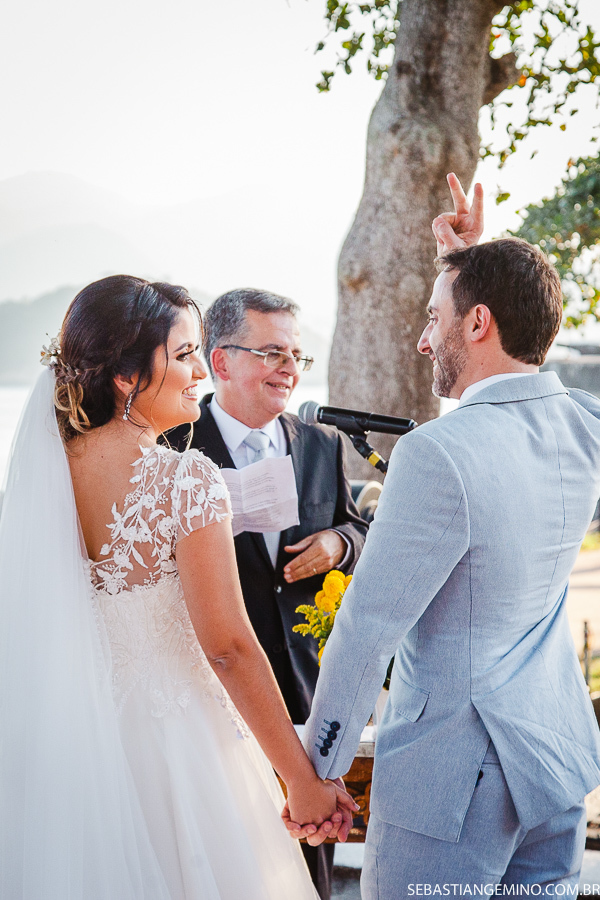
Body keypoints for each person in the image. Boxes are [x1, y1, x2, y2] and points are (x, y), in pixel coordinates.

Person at [0, 275, 356, 899]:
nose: (200, 373)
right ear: (126, 377)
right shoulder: (186, 479)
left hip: (74, 755)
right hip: (180, 752)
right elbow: (228, 646)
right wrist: (300, 780)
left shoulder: (45, 478)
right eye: (186, 355)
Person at [294, 176, 600, 896]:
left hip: (451, 788)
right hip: (554, 766)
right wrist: (471, 263)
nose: (422, 338)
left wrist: (318, 771)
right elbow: (523, 356)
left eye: (436, 317)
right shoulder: (583, 424)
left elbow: (368, 628)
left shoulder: (438, 452)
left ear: (477, 323)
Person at [168, 288, 368, 899]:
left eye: (297, 356)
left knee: (309, 863)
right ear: (221, 361)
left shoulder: (320, 443)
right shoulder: (173, 441)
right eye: (273, 352)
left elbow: (356, 523)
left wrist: (339, 544)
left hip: (309, 688)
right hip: (211, 690)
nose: (289, 369)